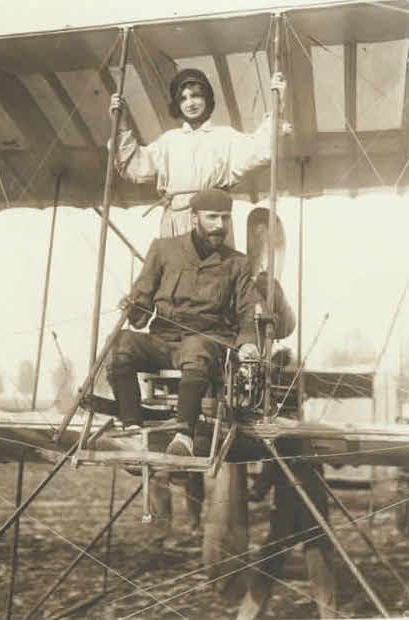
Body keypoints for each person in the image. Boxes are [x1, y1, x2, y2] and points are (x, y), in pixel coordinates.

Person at [106, 188, 292, 459]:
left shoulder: (236, 263)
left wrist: (249, 344)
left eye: (225, 218)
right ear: (194, 219)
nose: (220, 225)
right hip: (162, 342)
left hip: (208, 345)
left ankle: (184, 436)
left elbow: (248, 309)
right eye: (212, 217)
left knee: (196, 347)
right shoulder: (163, 250)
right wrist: (133, 306)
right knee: (120, 343)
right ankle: (133, 429)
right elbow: (140, 313)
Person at [110, 68, 288, 240]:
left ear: (207, 99)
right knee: (177, 269)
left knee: (213, 269)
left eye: (196, 95)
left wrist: (277, 105)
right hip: (176, 224)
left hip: (212, 222)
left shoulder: (224, 136)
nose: (190, 103)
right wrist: (122, 124)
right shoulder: (169, 141)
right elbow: (136, 167)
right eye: (183, 98)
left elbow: (258, 149)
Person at [236, 439, 336, 620]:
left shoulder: (309, 443)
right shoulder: (278, 447)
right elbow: (262, 486)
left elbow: (339, 462)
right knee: (267, 568)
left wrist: (253, 492)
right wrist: (249, 493)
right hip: (286, 517)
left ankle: (329, 616)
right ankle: (247, 616)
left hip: (311, 515)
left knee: (320, 570)